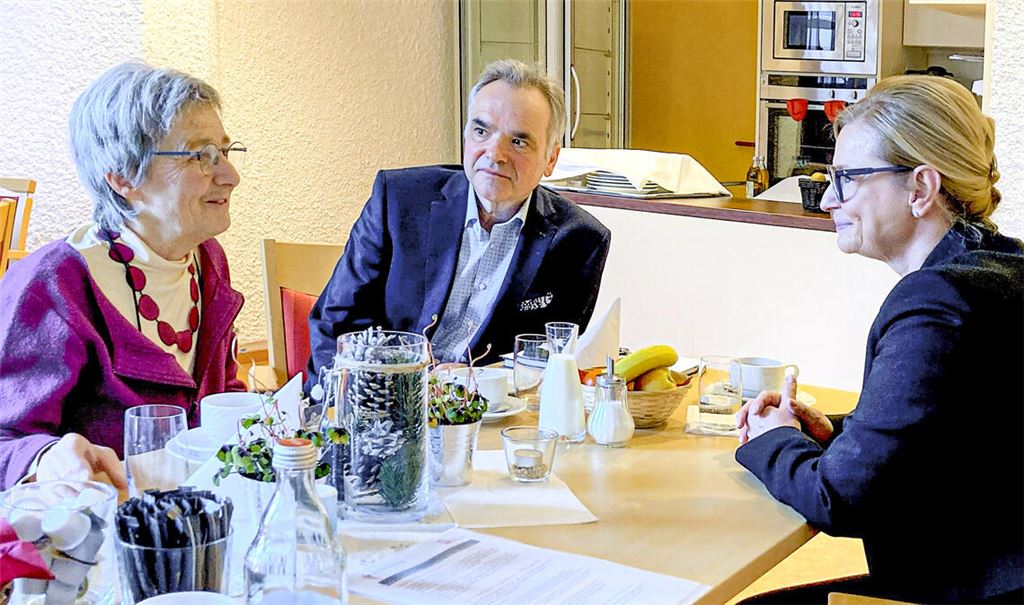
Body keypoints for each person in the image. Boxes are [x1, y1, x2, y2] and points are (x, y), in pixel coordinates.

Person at [735, 75, 1023, 604]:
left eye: (846, 178)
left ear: (920, 188)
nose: (827, 201)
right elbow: (953, 435)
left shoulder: (936, 301)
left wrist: (769, 441)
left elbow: (843, 499)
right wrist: (837, 434)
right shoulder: (1004, 268)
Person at [0, 63, 248, 492]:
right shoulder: (54, 285)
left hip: (198, 520)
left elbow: (221, 397)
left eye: (226, 151)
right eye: (201, 155)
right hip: (100, 535)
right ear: (122, 177)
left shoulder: (207, 261)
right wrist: (46, 455)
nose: (230, 176)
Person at [306, 59, 611, 386]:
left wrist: (475, 380)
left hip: (487, 418)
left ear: (551, 158)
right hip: (379, 403)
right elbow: (335, 322)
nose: (495, 154)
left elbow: (553, 364)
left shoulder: (580, 241)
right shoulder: (398, 200)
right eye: (482, 131)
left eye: (518, 141)